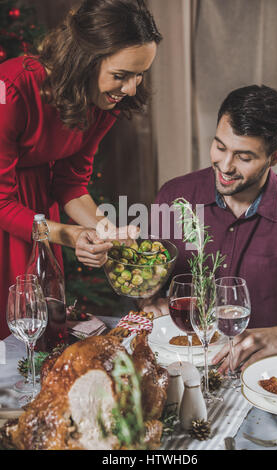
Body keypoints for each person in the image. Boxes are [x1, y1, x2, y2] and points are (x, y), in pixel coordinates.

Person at [0, 0, 162, 339]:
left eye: (140, 75)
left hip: (41, 219)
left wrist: (106, 231)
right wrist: (68, 234)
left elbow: (71, 183)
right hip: (11, 214)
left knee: (38, 331)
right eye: (121, 75)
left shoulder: (104, 100)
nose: (131, 89)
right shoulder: (10, 88)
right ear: (84, 61)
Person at [143, 85, 277, 372]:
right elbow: (146, 285)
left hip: (266, 373)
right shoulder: (173, 195)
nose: (225, 166)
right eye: (220, 146)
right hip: (181, 366)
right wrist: (150, 301)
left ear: (275, 157)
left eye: (244, 157)